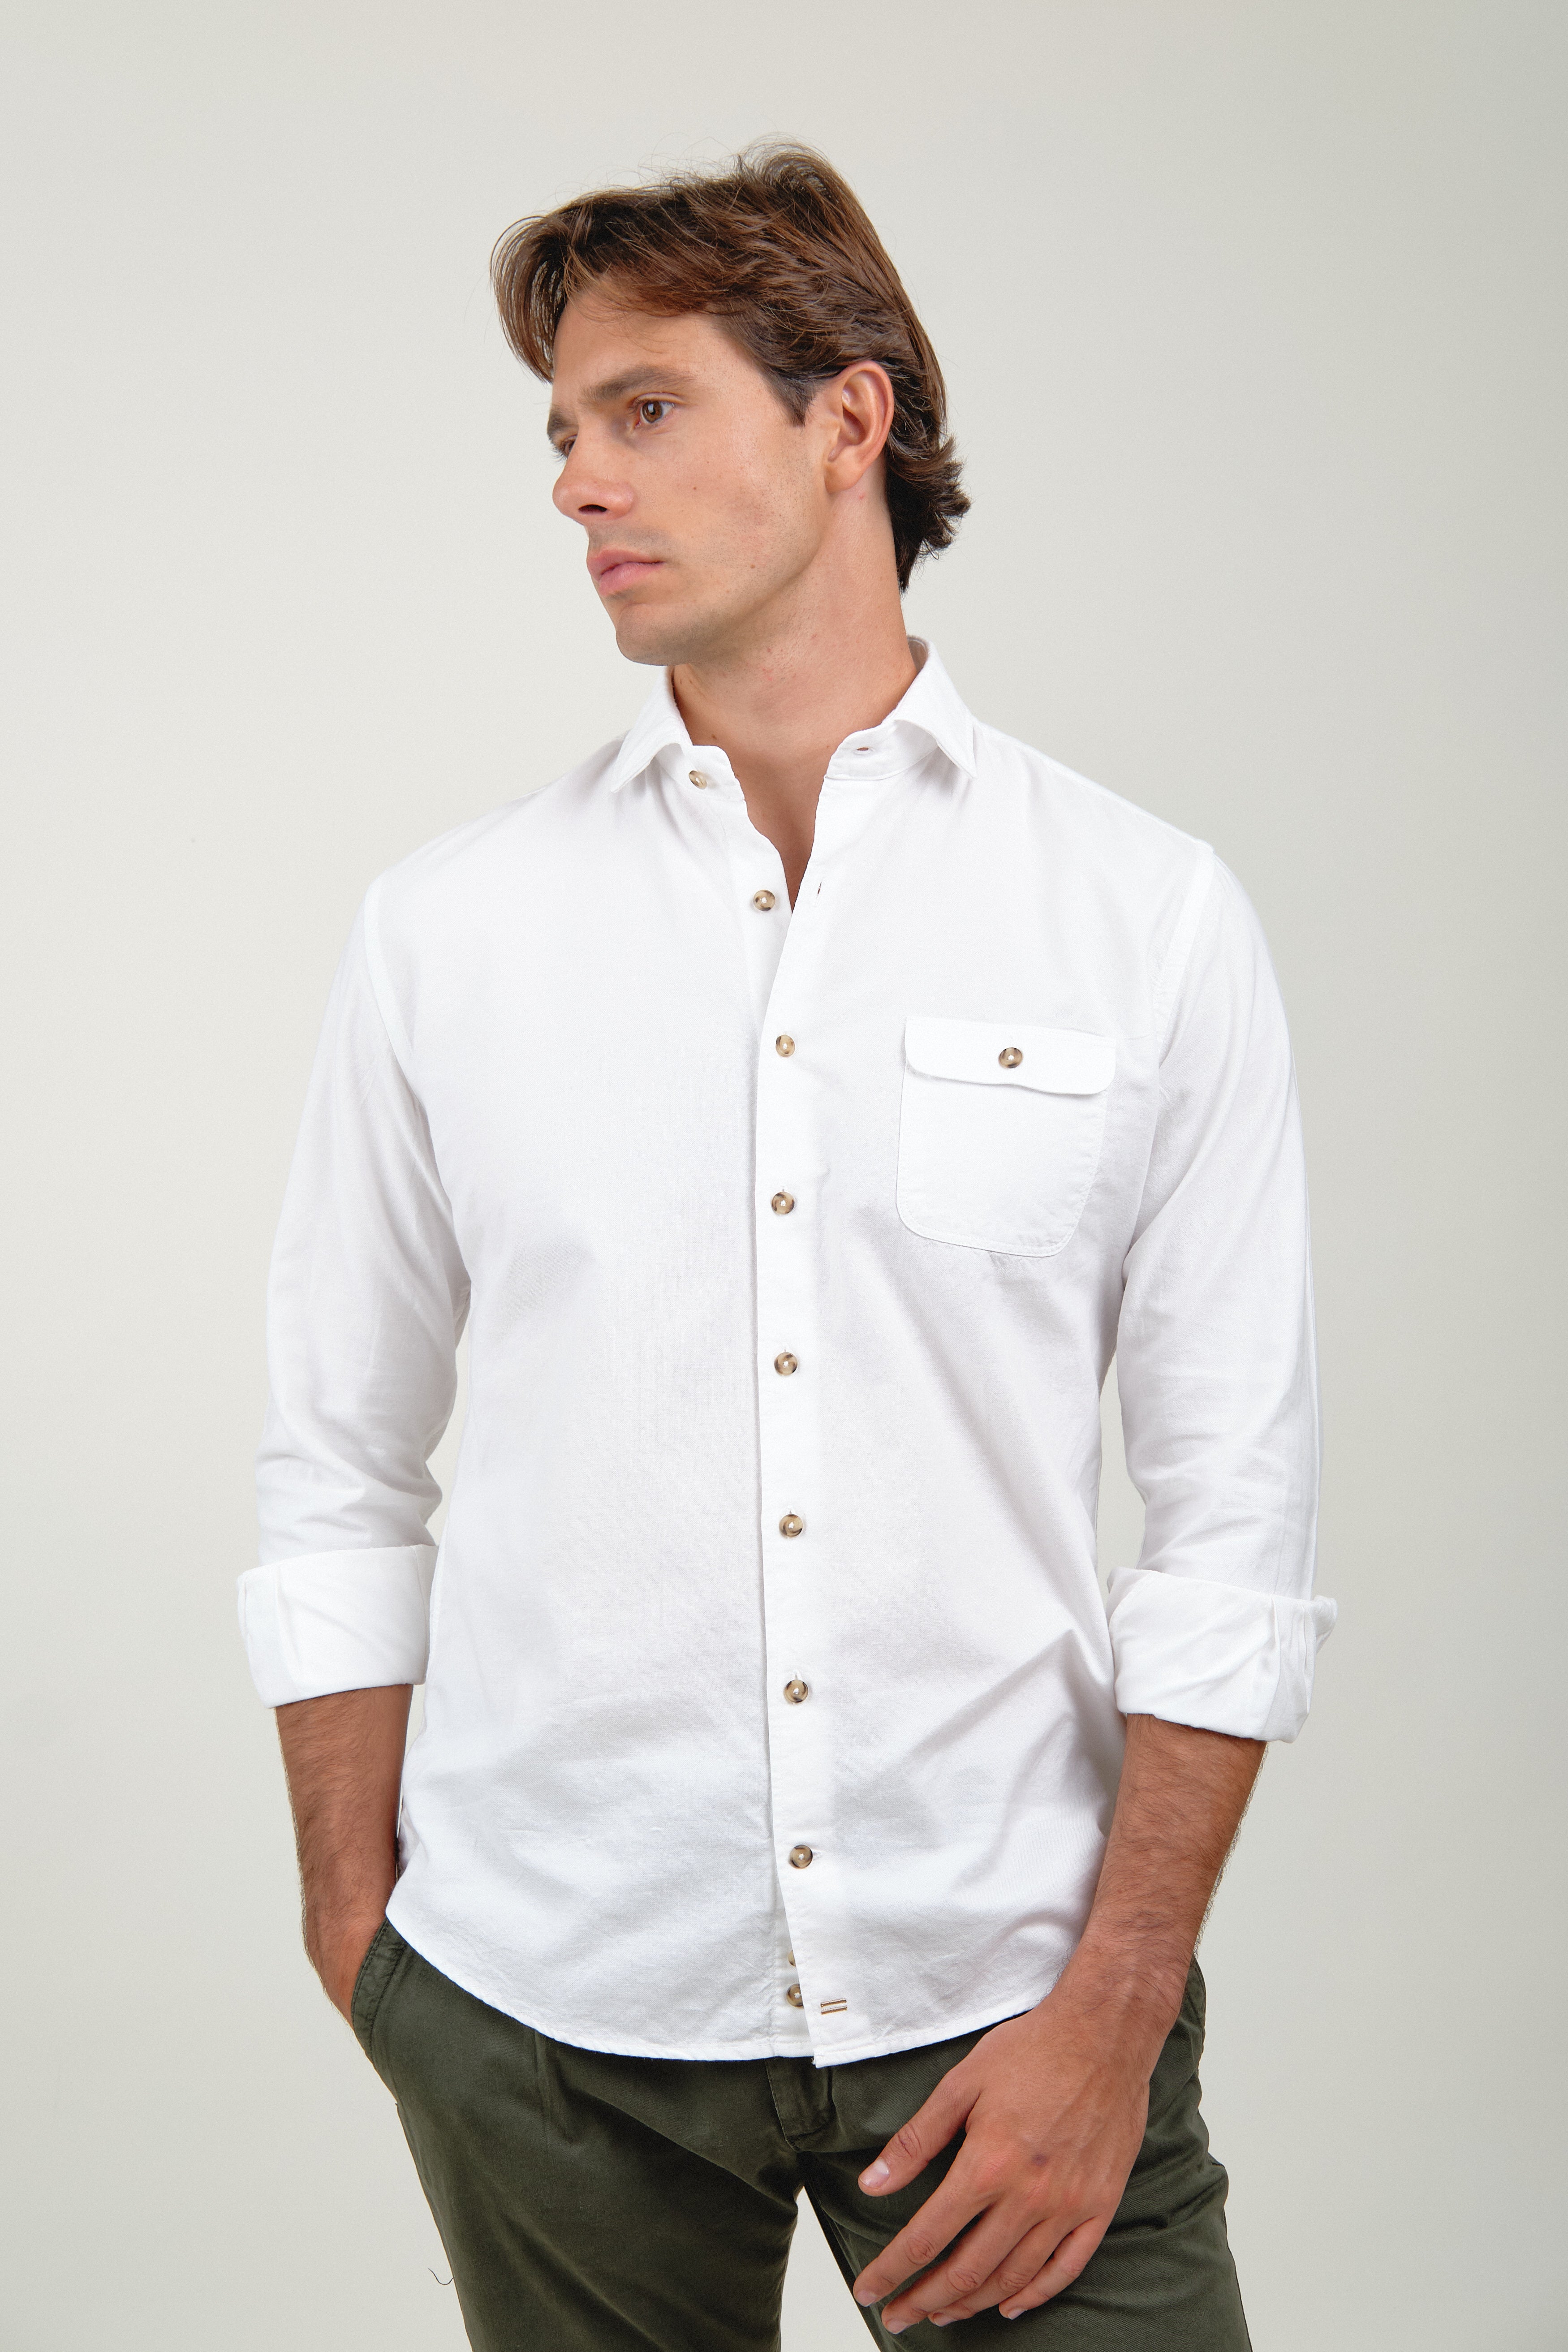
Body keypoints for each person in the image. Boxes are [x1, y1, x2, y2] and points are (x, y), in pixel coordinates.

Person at [242, 144, 1335, 2350]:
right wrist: (364, 1937)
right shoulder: (448, 931)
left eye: (643, 408)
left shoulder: (1139, 916)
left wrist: (1117, 2006)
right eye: (563, 428)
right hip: (545, 2016)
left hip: (1009, 1991)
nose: (578, 480)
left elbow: (1230, 1520)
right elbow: (338, 1461)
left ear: (848, 421)